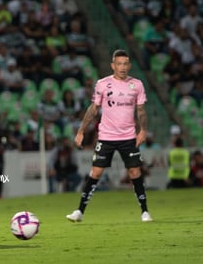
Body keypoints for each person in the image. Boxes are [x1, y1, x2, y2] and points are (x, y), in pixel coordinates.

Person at [66, 49, 153, 223]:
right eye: (119, 64)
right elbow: (93, 109)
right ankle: (80, 211)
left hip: (128, 136)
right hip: (106, 136)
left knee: (134, 171)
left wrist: (143, 130)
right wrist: (81, 131)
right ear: (113, 65)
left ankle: (145, 211)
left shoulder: (137, 85)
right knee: (96, 172)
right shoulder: (103, 84)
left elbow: (141, 111)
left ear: (129, 65)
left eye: (125, 63)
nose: (122, 67)